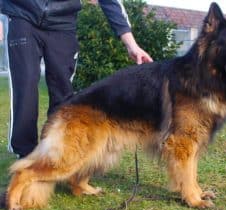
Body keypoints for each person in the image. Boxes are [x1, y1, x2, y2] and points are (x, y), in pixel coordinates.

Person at [0, 0, 153, 158]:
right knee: (25, 88)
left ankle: (56, 153)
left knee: (63, 94)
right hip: (22, 15)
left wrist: (131, 45)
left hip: (63, 24)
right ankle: (25, 157)